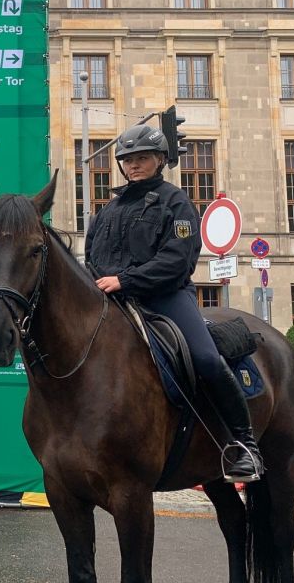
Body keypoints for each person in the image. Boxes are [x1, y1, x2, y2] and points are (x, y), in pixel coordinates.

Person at [85, 124, 264, 483]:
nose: (134, 165)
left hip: (165, 296)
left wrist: (126, 280)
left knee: (205, 359)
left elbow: (177, 260)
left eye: (142, 158)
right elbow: (91, 257)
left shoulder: (176, 202)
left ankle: (243, 445)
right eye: (128, 160)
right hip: (114, 300)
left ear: (160, 160)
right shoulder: (107, 210)